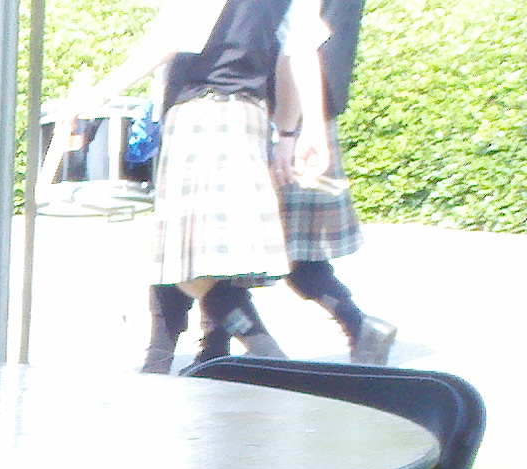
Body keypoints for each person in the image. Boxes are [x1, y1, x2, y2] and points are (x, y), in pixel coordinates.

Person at [84, 0, 294, 373]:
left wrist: (98, 95)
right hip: (250, 114)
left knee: (185, 259)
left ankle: (270, 357)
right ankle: (160, 361)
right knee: (192, 256)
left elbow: (170, 39)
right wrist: (290, 130)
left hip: (203, 114)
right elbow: (295, 54)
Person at [269, 0, 395, 363]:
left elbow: (295, 44)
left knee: (228, 251)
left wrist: (288, 130)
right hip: (304, 114)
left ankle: (218, 351)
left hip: (285, 114)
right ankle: (359, 327)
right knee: (295, 254)